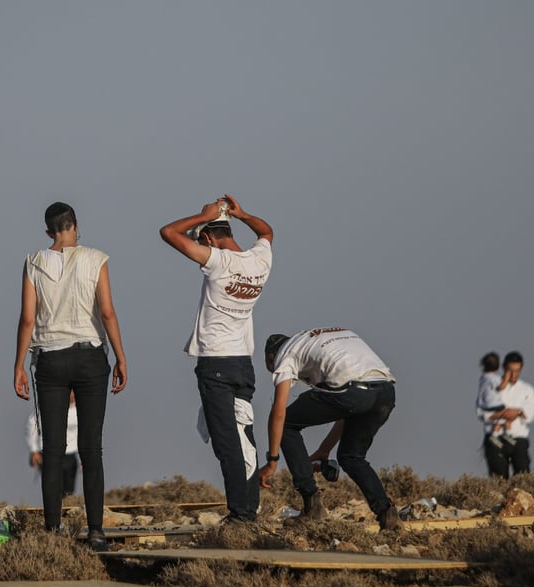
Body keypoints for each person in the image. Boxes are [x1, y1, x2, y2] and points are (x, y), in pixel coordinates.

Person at [14, 202, 128, 550]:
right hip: (90, 356)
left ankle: (53, 530)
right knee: (91, 449)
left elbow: (28, 319)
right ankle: (96, 531)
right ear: (75, 225)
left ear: (49, 231)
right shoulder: (96, 259)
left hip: (49, 359)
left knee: (53, 449)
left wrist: (18, 364)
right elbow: (106, 312)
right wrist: (121, 357)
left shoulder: (33, 261)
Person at [160, 195, 273, 524]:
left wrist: (200, 215)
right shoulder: (259, 261)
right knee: (245, 438)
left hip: (216, 364)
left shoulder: (218, 262)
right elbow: (267, 233)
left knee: (226, 442)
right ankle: (248, 508)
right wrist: (244, 214)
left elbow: (168, 233)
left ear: (208, 238)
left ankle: (240, 515)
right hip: (243, 364)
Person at [258, 328, 401, 530]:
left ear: (271, 357)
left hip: (352, 393)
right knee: (352, 457)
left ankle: (312, 507)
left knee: (287, 424)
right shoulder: (318, 341)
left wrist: (272, 461)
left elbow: (278, 414)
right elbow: (349, 407)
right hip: (385, 392)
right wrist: (325, 449)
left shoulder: (285, 354)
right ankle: (388, 516)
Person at [476, 351, 534, 478]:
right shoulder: (492, 386)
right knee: (498, 479)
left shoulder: (527, 389)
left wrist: (518, 412)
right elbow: (481, 411)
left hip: (518, 438)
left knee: (523, 475)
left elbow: (533, 412)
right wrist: (501, 415)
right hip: (495, 439)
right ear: (503, 368)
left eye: (517, 371)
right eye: (510, 370)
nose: (513, 375)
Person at [26, 391, 79, 498]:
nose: (72, 395)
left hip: (70, 455)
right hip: (49, 453)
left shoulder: (81, 409)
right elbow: (32, 426)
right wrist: (34, 450)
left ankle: (65, 512)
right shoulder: (50, 407)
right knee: (53, 489)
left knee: (69, 491)